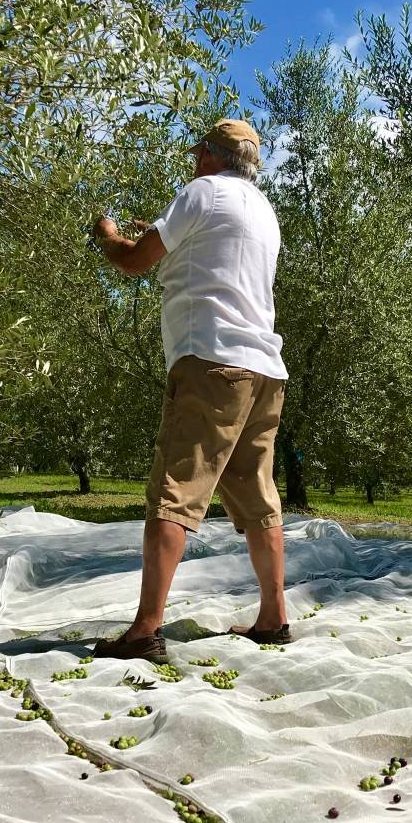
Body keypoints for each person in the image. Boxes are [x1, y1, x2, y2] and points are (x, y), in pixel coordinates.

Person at [88, 119, 290, 664]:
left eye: (197, 150)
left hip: (210, 362)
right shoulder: (263, 211)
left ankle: (144, 631)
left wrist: (105, 232)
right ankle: (274, 619)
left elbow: (133, 260)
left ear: (210, 155)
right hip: (264, 369)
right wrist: (163, 233)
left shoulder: (200, 192)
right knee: (257, 497)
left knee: (174, 491)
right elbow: (215, 263)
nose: (193, 159)